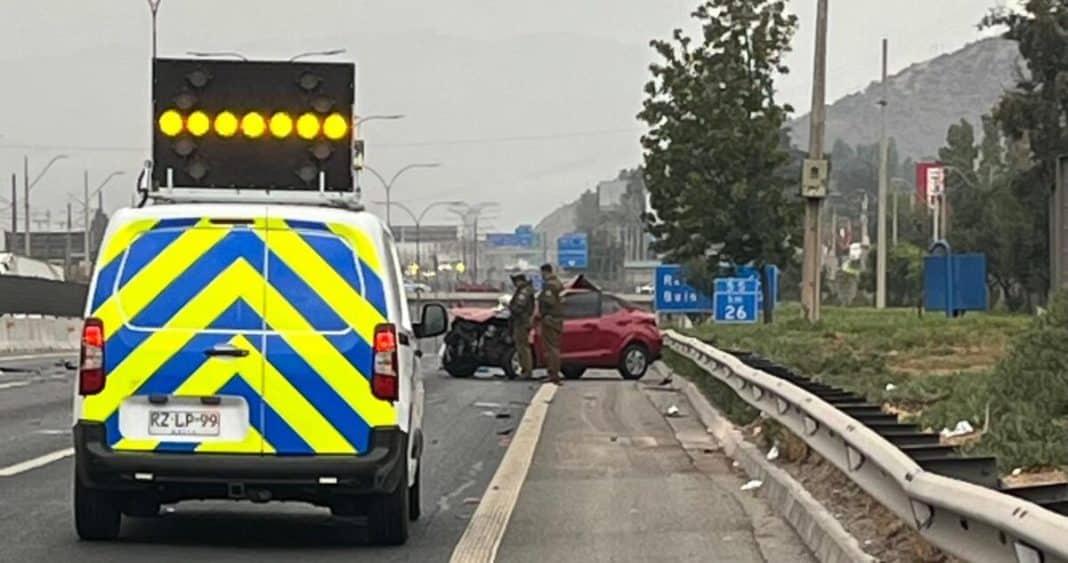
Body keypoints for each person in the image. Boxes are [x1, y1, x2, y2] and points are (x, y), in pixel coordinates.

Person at [537, 263, 565, 385]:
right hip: (557, 319)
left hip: (550, 319)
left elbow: (549, 301)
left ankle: (553, 374)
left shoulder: (549, 285)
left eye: (542, 273)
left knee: (552, 348)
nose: (541, 276)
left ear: (545, 272)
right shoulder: (559, 283)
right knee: (555, 347)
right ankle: (554, 373)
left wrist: (541, 307)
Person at [508, 272, 536, 379]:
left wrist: (511, 308)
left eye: (515, 281)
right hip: (523, 321)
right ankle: (526, 370)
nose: (514, 284)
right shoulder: (526, 289)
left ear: (520, 281)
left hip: (522, 322)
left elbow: (519, 306)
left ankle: (527, 371)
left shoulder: (524, 291)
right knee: (522, 347)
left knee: (523, 348)